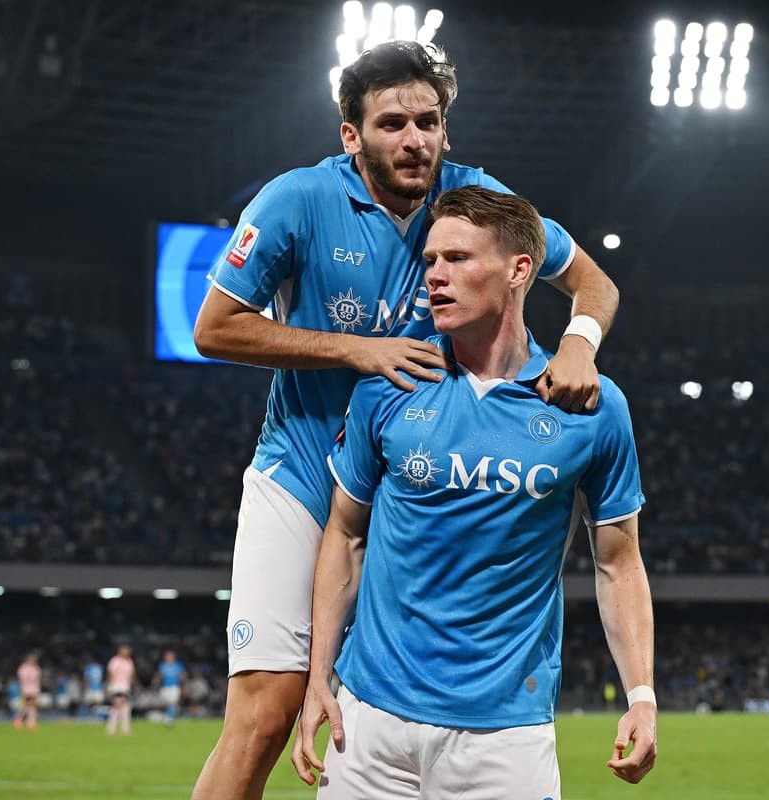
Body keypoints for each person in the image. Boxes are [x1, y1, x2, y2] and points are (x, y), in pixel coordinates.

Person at [189, 40, 620, 799]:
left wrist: (580, 344)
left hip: (410, 491)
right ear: (351, 135)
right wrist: (358, 350)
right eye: (391, 124)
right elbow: (215, 328)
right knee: (263, 717)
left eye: (428, 122)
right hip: (302, 477)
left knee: (408, 705)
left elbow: (594, 284)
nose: (414, 139)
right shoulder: (297, 200)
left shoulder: (477, 201)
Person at [292, 186, 655, 797]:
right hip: (368, 721)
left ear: (519, 271)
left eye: (458, 258)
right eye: (431, 260)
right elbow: (346, 534)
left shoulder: (591, 408)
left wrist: (641, 696)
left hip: (504, 736)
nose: (435, 275)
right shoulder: (390, 383)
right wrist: (317, 679)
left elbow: (619, 563)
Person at [106, 645, 136, 736]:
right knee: (117, 706)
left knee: (126, 707)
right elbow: (110, 673)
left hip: (126, 686)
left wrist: (133, 684)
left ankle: (125, 728)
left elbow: (131, 674)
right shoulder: (115, 661)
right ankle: (112, 728)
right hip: (117, 686)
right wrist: (111, 686)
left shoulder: (129, 662)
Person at [151, 649, 186, 727]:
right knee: (167, 703)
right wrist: (155, 682)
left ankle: (169, 720)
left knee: (173, 703)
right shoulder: (162, 665)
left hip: (174, 687)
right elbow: (159, 675)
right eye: (167, 656)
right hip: (165, 687)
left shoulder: (178, 665)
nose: (169, 658)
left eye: (170, 656)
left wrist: (183, 684)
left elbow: (182, 675)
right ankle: (168, 716)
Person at [13, 653, 42, 730]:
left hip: (34, 689)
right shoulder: (23, 668)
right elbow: (22, 678)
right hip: (26, 689)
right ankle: (19, 719)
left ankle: (31, 722)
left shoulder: (36, 668)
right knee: (25, 705)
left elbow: (37, 679)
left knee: (32, 706)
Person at [81, 655, 105, 721]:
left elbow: (86, 679)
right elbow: (102, 678)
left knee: (87, 703)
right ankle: (97, 716)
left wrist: (84, 688)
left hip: (90, 687)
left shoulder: (88, 667)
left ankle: (88, 716)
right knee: (98, 703)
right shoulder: (100, 667)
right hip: (99, 687)